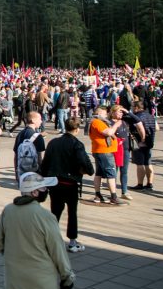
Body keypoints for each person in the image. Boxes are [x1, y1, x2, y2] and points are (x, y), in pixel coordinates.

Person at [39, 117, 94, 252]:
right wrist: (88, 170)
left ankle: (50, 239)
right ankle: (72, 241)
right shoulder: (77, 144)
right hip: (70, 182)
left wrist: (44, 179)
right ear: (77, 129)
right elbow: (85, 162)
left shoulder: (53, 142)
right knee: (72, 212)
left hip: (55, 182)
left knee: (55, 211)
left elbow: (45, 162)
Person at [88, 106, 120, 204]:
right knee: (111, 173)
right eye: (105, 113)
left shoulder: (98, 122)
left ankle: (98, 195)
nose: (106, 115)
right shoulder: (97, 122)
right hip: (104, 151)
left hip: (101, 151)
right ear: (100, 113)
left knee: (99, 173)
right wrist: (116, 125)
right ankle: (113, 196)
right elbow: (108, 132)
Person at [130, 100, 158, 191]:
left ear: (137, 108)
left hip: (139, 142)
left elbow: (138, 127)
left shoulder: (136, 117)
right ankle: (150, 183)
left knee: (140, 164)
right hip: (150, 142)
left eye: (133, 107)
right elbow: (157, 128)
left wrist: (141, 137)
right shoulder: (150, 116)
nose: (132, 108)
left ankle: (140, 184)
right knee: (148, 163)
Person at [12, 111, 46, 183]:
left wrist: (16, 172)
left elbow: (16, 156)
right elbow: (39, 158)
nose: (41, 121)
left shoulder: (20, 134)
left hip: (22, 171)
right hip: (34, 171)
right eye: (39, 119)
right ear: (33, 120)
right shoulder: (37, 136)